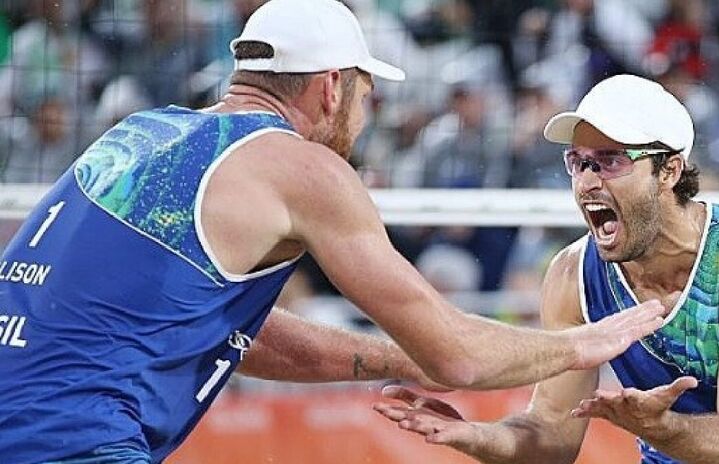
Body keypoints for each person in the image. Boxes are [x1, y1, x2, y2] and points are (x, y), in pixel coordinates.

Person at [0, 3, 668, 463]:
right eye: (365, 91)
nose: (367, 108)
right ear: (329, 87)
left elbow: (226, 329)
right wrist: (582, 343)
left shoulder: (140, 132)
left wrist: (391, 357)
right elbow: (457, 360)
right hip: (77, 440)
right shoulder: (301, 168)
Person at [375, 74, 719, 464]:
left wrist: (660, 428)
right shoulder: (573, 277)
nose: (587, 181)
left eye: (610, 161)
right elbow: (551, 435)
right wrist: (477, 435)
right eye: (578, 162)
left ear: (668, 170)